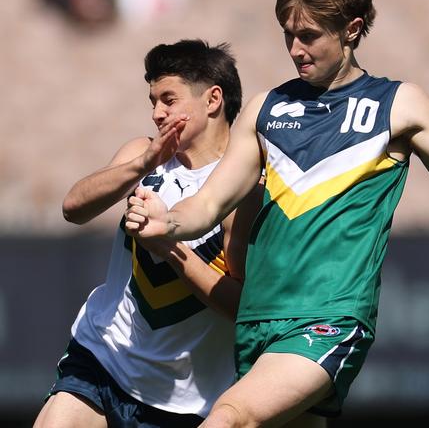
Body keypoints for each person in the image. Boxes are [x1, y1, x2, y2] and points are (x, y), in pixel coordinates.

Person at [124, 0, 429, 428]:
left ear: (352, 30)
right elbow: (209, 202)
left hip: (328, 320)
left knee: (229, 417)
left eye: (309, 35)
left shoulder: (397, 105)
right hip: (258, 325)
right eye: (288, 35)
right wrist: (166, 220)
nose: (295, 49)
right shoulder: (265, 109)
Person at [34, 39, 261, 428]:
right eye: (153, 101)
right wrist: (142, 162)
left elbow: (242, 307)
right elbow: (73, 208)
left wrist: (167, 247)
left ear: (213, 100)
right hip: (103, 357)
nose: (157, 113)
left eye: (168, 99)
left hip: (182, 399)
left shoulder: (245, 192)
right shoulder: (144, 156)